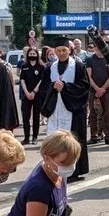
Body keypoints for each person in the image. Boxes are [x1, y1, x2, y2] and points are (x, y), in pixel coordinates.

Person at [39, 44, 90, 182]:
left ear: (69, 50)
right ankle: (52, 168)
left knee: (73, 139)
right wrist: (52, 87)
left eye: (64, 50)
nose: (61, 53)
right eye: (58, 51)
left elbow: (84, 87)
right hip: (56, 109)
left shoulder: (78, 66)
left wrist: (66, 87)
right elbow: (43, 87)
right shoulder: (50, 67)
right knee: (54, 139)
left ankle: (74, 171)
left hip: (72, 110)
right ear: (55, 51)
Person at [87, 35, 109, 145]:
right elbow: (88, 76)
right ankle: (93, 136)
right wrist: (96, 89)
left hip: (106, 91)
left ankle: (107, 136)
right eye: (97, 47)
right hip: (93, 90)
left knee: (106, 114)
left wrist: (102, 89)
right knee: (93, 114)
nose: (99, 49)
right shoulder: (90, 59)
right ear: (94, 48)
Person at [19, 47, 45, 145]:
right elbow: (22, 80)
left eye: (34, 54)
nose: (32, 56)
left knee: (36, 117)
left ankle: (35, 137)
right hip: (26, 95)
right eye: (31, 54)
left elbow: (41, 80)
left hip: (37, 95)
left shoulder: (41, 67)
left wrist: (34, 92)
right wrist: (27, 92)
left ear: (37, 55)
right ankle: (26, 138)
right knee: (26, 117)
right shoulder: (24, 66)